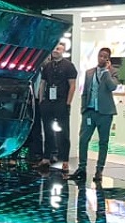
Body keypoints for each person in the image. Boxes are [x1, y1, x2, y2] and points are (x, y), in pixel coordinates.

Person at [69, 47, 119, 183]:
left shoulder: (113, 72)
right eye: (100, 56)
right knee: (83, 139)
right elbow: (85, 92)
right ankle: (82, 168)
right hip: (90, 111)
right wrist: (83, 109)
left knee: (103, 142)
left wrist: (106, 72)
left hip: (105, 113)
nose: (102, 58)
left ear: (108, 59)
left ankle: (99, 170)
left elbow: (112, 87)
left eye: (105, 57)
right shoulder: (89, 72)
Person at [36, 42, 77, 171]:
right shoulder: (47, 66)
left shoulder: (69, 66)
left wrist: (68, 103)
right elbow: (43, 83)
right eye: (54, 48)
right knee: (47, 131)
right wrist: (41, 100)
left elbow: (72, 85)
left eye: (58, 49)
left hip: (61, 102)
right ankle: (46, 158)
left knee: (64, 132)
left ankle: (65, 160)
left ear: (63, 50)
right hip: (48, 103)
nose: (55, 50)